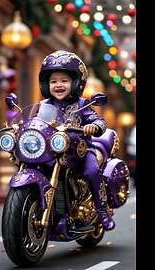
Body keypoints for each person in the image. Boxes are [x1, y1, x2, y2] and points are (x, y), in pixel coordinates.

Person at [38, 50, 115, 231]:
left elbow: (99, 120)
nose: (58, 85)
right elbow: (34, 122)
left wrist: (94, 127)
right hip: (52, 150)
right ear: (46, 84)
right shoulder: (43, 106)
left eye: (64, 81)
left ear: (75, 83)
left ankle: (102, 209)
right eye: (53, 81)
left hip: (79, 150)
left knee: (91, 171)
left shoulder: (82, 104)